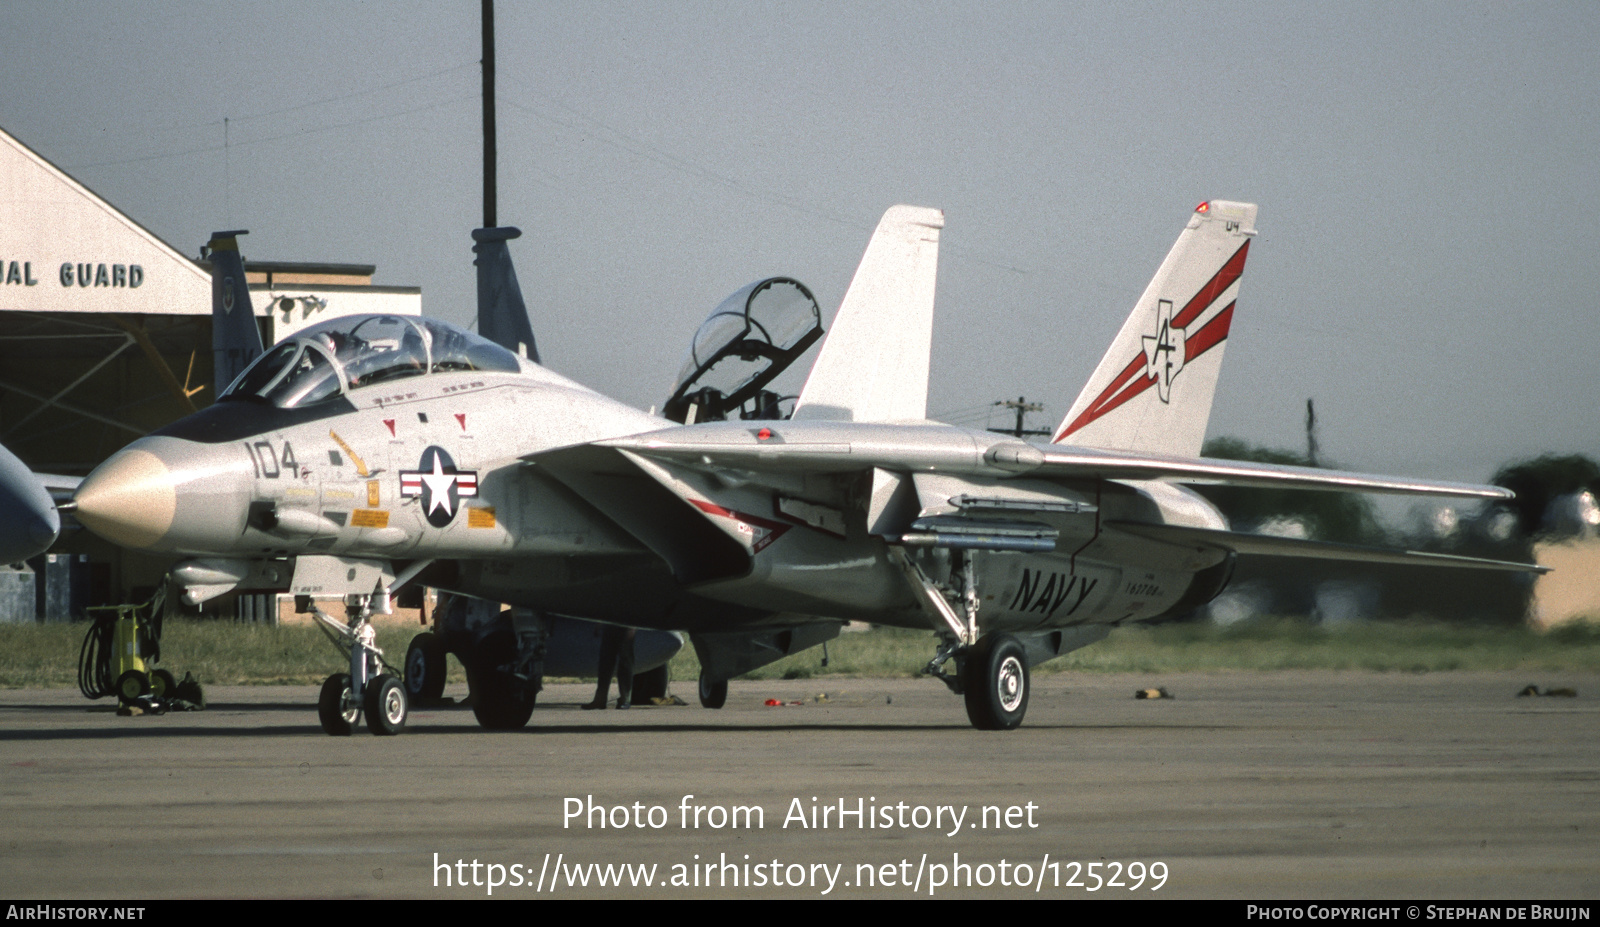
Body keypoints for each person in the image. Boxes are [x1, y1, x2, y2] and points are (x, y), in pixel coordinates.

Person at [582, 625, 635, 710]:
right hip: (610, 625)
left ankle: (625, 699)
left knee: (625, 663)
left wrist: (632, 626)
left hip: (624, 624)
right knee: (605, 663)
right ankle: (600, 699)